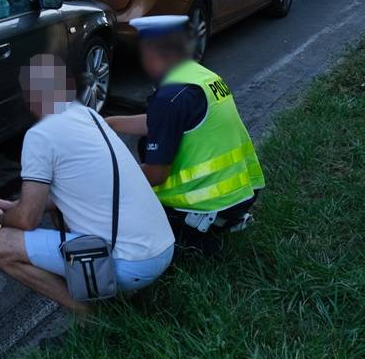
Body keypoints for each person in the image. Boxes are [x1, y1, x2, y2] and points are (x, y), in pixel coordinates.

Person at [0, 55, 175, 311]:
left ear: (30, 97)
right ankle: (106, 293)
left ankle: (88, 315)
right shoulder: (89, 116)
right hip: (162, 249)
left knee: (2, 245)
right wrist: (12, 204)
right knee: (57, 210)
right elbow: (71, 194)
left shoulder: (40, 135)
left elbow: (27, 219)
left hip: (132, 263)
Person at [105, 16, 266, 255]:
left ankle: (192, 241)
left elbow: (156, 175)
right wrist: (108, 123)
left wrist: (108, 179)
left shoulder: (170, 97)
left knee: (117, 209)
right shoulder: (202, 77)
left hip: (209, 206)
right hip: (242, 193)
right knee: (149, 145)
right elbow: (160, 123)